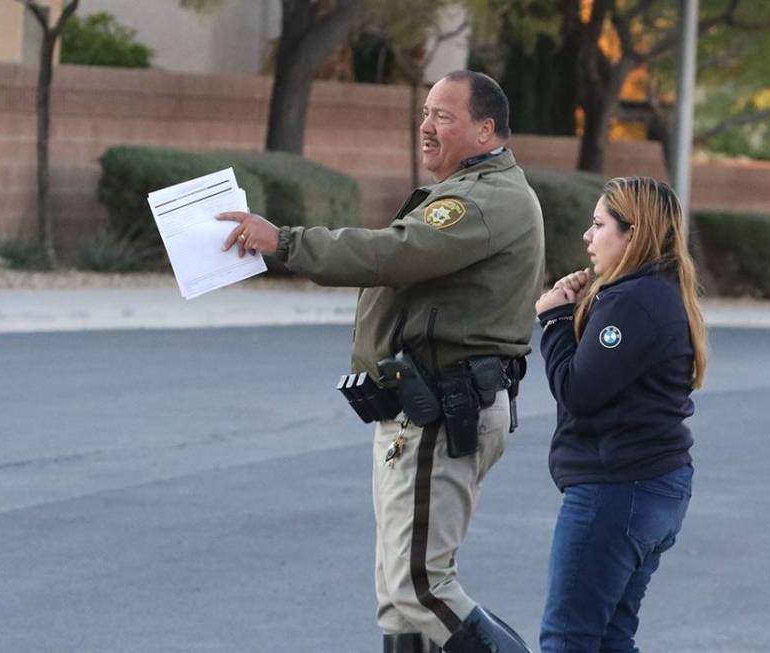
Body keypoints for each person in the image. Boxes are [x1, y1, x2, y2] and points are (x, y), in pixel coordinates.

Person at [217, 70, 543, 653]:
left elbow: (395, 252)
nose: (426, 126)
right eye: (425, 112)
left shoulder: (489, 198)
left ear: (485, 129)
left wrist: (285, 241)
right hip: (418, 409)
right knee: (399, 601)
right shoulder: (468, 191)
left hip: (444, 409)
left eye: (443, 116)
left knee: (421, 587)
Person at [533, 177, 706, 652]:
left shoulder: (633, 301)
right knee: (609, 640)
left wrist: (552, 322)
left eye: (599, 224)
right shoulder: (651, 292)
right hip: (651, 485)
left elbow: (579, 391)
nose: (588, 237)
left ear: (633, 233)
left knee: (568, 641)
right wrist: (573, 312)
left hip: (618, 489)